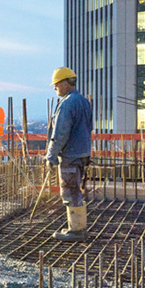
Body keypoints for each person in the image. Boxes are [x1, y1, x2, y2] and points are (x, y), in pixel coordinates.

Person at [47, 66, 93, 241]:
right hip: (82, 153)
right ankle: (77, 227)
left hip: (71, 155)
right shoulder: (83, 101)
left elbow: (60, 133)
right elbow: (88, 128)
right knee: (75, 189)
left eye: (57, 84)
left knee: (70, 190)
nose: (55, 87)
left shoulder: (66, 104)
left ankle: (76, 230)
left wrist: (51, 156)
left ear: (66, 83)